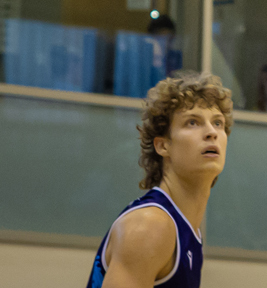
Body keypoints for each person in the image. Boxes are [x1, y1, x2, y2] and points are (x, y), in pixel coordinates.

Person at [86, 73, 233, 288]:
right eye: (192, 122)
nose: (212, 132)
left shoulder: (187, 229)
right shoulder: (150, 226)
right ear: (163, 146)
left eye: (218, 123)